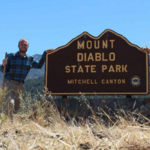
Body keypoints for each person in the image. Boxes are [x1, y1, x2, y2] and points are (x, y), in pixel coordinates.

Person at [0, 39, 53, 119]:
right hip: (9, 83)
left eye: (25, 45)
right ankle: (8, 122)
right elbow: (2, 70)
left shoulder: (30, 59)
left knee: (16, 106)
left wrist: (44, 54)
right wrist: (3, 65)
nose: (23, 46)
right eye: (22, 44)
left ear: (28, 46)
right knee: (10, 103)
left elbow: (39, 65)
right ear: (18, 46)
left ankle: (3, 118)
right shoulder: (11, 56)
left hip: (20, 85)